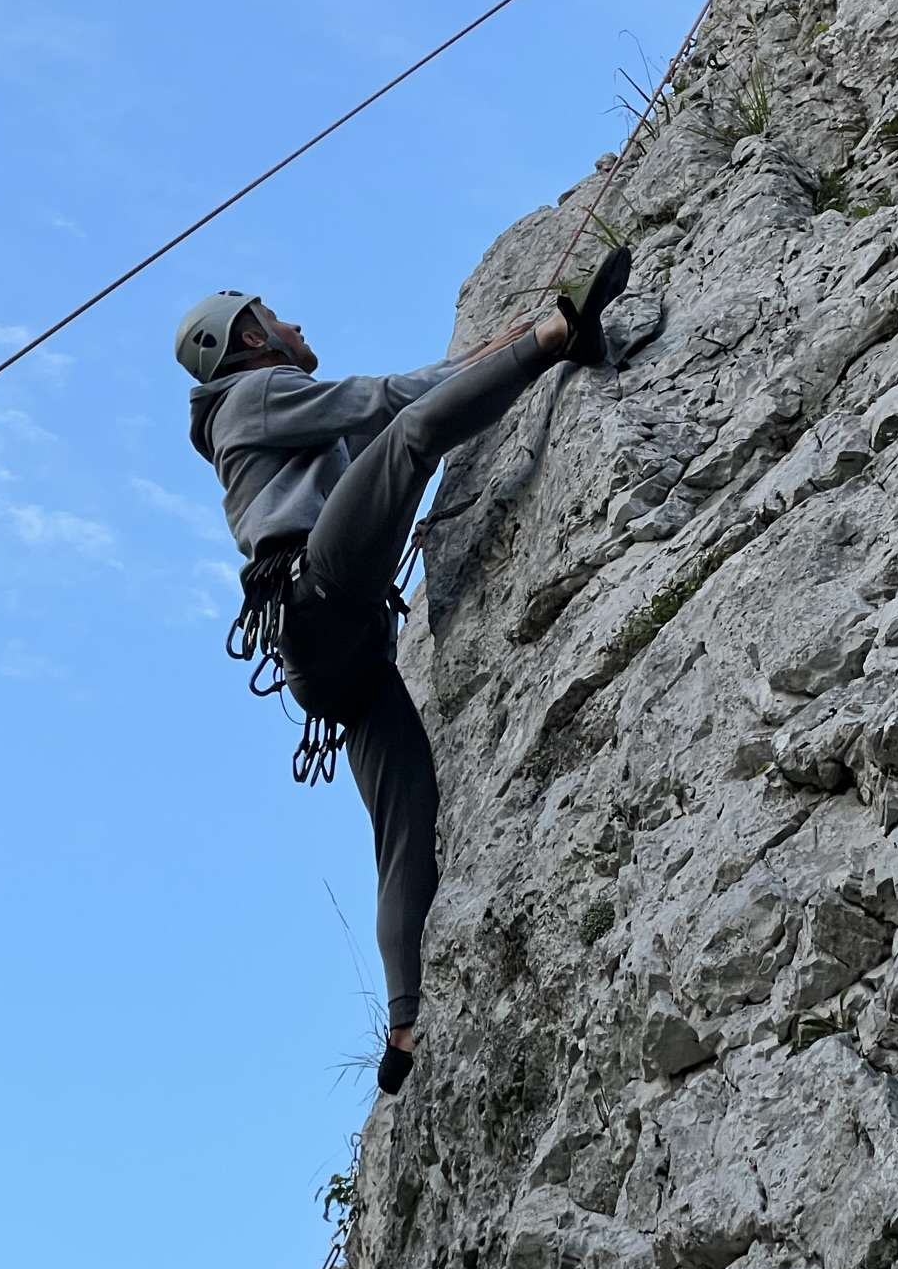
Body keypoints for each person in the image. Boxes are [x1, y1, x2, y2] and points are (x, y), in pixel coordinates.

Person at [175, 248, 631, 1095]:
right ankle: (565, 336)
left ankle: (405, 1026)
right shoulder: (255, 395)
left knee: (408, 817)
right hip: (319, 594)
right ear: (246, 340)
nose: (295, 324)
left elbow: (380, 409)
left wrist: (480, 357)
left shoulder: (273, 419)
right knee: (410, 443)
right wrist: (522, 344)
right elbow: (389, 407)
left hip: (332, 664)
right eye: (275, 317)